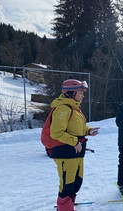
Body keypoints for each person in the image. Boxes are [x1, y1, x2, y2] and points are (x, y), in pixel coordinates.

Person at [50, 79, 99, 211]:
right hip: (66, 153)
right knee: (67, 186)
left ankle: (68, 207)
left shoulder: (73, 108)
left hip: (76, 154)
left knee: (76, 183)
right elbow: (56, 133)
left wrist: (89, 131)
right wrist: (75, 142)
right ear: (71, 93)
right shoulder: (62, 109)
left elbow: (76, 128)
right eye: (81, 93)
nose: (83, 96)